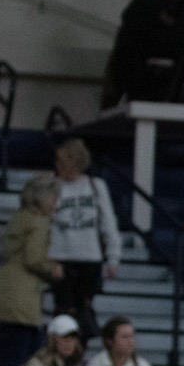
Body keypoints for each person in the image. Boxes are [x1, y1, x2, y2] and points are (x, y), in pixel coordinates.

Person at [0, 175, 64, 366]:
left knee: (4, 362)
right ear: (42, 198)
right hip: (21, 303)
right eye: (53, 197)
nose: (55, 203)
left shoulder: (19, 217)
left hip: (2, 296)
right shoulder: (39, 222)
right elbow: (33, 259)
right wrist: (54, 269)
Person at [49, 141, 121, 338]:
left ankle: (79, 354)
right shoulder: (52, 185)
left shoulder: (95, 186)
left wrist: (113, 257)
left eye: (62, 161)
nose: (58, 165)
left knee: (84, 311)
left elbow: (108, 222)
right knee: (64, 312)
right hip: (60, 256)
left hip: (89, 257)